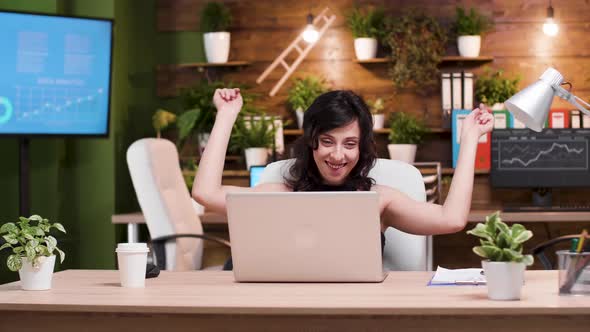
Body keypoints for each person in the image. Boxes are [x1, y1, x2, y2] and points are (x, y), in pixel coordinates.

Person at [193, 88, 493, 237]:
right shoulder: (280, 194)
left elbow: (452, 220)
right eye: (327, 141)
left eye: (349, 144)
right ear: (311, 141)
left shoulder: (378, 200)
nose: (338, 156)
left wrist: (470, 139)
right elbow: (205, 193)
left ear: (361, 148)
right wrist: (226, 115)